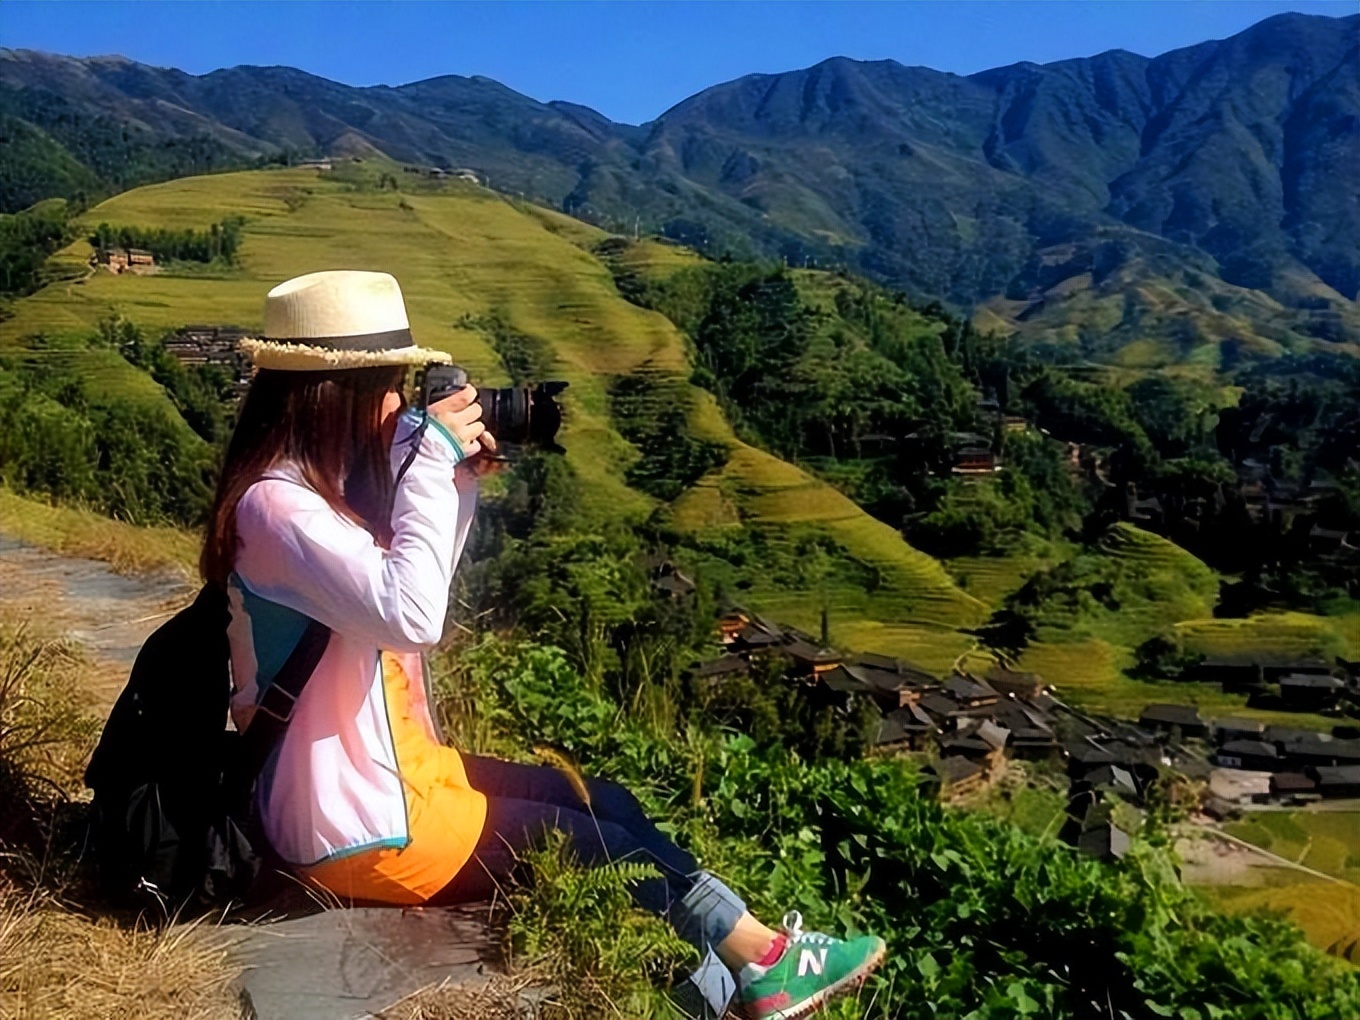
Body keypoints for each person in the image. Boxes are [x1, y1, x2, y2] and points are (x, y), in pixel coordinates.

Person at [204, 270, 886, 1019]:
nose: (399, 405)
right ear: (336, 395)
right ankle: (753, 971)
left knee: (600, 801)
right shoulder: (277, 506)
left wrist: (455, 481)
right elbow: (411, 616)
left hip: (396, 779)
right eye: (390, 386)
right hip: (352, 825)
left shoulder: (312, 492)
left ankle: (755, 963)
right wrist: (427, 463)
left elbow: (411, 583)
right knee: (587, 843)